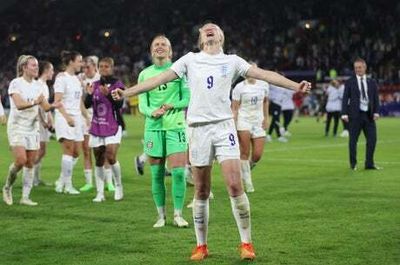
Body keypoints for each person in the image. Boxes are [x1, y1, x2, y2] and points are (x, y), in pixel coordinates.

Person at [112, 23, 311, 261]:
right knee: (202, 189)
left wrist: (294, 86)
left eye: (214, 28)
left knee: (235, 186)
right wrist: (126, 93)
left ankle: (246, 243)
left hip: (224, 126)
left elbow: (265, 74)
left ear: (221, 37)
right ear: (200, 38)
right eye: (205, 29)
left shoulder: (232, 61)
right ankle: (201, 246)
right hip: (197, 130)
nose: (209, 29)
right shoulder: (190, 60)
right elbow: (158, 79)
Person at [137, 34, 190, 228]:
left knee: (178, 173)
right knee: (157, 174)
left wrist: (170, 105)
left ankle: (178, 214)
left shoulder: (180, 72)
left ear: (170, 51)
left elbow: (187, 99)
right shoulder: (144, 74)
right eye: (156, 44)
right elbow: (142, 103)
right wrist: (153, 112)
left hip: (175, 126)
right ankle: (161, 216)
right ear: (151, 50)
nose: (160, 47)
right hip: (153, 127)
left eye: (164, 44)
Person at [2, 55, 60, 206]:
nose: (36, 68)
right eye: (33, 65)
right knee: (21, 161)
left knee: (30, 163)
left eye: (36, 65)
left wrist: (55, 106)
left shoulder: (40, 86)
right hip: (17, 127)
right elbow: (19, 104)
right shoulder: (16, 83)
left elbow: (45, 107)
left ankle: (25, 197)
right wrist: (36, 101)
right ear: (24, 68)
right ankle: (7, 187)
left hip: (33, 128)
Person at [84, 57, 124, 202]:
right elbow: (87, 104)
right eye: (101, 66)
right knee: (99, 159)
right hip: (97, 126)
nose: (103, 69)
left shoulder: (117, 84)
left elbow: (120, 106)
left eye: (106, 66)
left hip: (113, 125)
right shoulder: (94, 85)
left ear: (112, 68)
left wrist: (109, 95)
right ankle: (100, 193)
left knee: (111, 155)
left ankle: (118, 185)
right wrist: (88, 94)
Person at [53, 50, 88, 194]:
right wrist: (67, 117)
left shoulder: (76, 80)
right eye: (79, 60)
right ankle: (68, 186)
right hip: (64, 117)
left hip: (77, 118)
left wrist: (87, 117)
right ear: (71, 62)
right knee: (68, 151)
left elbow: (79, 101)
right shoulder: (62, 78)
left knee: (76, 153)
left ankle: (61, 181)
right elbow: (57, 101)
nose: (82, 63)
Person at [231, 69, 269, 193]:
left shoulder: (264, 85)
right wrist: (234, 123)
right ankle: (248, 182)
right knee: (244, 153)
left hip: (258, 121)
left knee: (257, 155)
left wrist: (266, 118)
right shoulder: (239, 87)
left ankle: (246, 168)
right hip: (244, 121)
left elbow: (265, 102)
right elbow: (235, 108)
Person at [341, 58, 380, 170]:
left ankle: (369, 164)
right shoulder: (349, 82)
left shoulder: (371, 82)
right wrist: (344, 113)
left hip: (369, 115)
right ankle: (353, 164)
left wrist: (376, 111)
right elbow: (345, 98)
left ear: (365, 67)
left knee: (372, 140)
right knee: (353, 141)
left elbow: (375, 99)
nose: (358, 69)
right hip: (354, 116)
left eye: (360, 67)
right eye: (356, 68)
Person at [33, 61, 55, 186]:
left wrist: (50, 118)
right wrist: (43, 122)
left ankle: (36, 179)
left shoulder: (45, 85)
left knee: (41, 152)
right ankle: (30, 177)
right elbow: (37, 106)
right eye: (51, 70)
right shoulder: (38, 85)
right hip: (38, 123)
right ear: (46, 70)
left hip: (44, 122)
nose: (53, 72)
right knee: (40, 151)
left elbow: (45, 105)